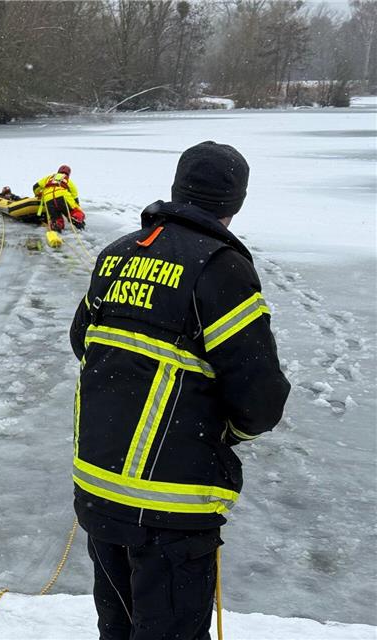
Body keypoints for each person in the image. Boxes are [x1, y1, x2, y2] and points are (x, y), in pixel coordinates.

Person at [68, 142, 290, 640]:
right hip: (172, 506)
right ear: (235, 203)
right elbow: (260, 396)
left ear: (176, 189)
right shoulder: (220, 267)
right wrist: (228, 430)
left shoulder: (118, 252)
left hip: (100, 491)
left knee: (119, 629)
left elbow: (83, 341)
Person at [33, 164, 85, 232]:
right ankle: (77, 222)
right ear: (68, 174)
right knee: (75, 212)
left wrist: (38, 194)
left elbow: (35, 187)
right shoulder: (67, 180)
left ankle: (56, 225)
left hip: (48, 198)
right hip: (62, 196)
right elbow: (74, 195)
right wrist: (77, 208)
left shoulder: (48, 177)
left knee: (56, 218)